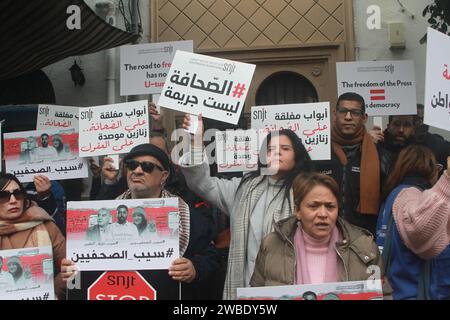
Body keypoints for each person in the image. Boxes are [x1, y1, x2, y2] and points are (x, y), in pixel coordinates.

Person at [62, 143, 221, 299]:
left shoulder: (186, 215)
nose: (137, 171)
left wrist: (194, 268)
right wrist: (73, 269)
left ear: (163, 176)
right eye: (132, 165)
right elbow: (85, 262)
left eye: (147, 167)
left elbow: (212, 258)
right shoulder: (104, 212)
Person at [179, 113, 313, 300]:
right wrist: (196, 141)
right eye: (270, 149)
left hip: (291, 289)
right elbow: (202, 183)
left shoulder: (308, 192)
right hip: (246, 290)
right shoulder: (243, 189)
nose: (277, 152)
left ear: (296, 156)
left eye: (284, 148)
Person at [250, 172, 392, 298]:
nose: (323, 214)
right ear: (297, 211)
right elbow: (256, 297)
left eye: (330, 207)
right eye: (314, 206)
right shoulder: (272, 245)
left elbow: (383, 295)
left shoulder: (364, 248)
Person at [376, 146, 450, 299]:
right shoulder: (411, 195)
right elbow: (420, 228)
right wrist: (447, 179)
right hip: (413, 291)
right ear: (431, 169)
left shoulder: (393, 195)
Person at [315, 92, 391, 235]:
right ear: (334, 114)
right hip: (323, 235)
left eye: (355, 113)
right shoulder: (317, 151)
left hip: (365, 238)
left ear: (364, 118)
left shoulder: (381, 156)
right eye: (343, 111)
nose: (348, 117)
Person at [0, 173, 66, 299]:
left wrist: (52, 292)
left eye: (17, 194)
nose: (13, 200)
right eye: (4, 196)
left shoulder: (45, 225)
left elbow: (70, 266)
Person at [414, 104, 450, 170]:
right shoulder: (402, 143)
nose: (422, 123)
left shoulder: (440, 145)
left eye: (425, 118)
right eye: (417, 119)